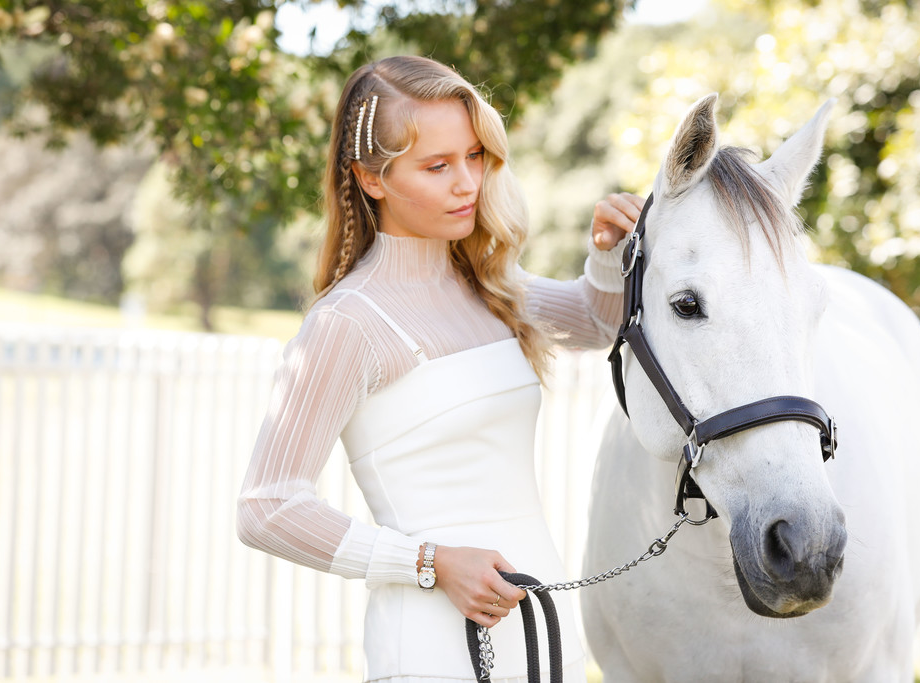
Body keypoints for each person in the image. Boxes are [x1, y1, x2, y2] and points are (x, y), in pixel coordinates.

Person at [236, 55, 644, 682]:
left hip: (540, 623)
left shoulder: (490, 286)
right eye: (437, 166)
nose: (467, 184)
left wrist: (610, 256)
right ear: (371, 179)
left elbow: (599, 325)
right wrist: (429, 563)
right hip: (432, 644)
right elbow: (266, 506)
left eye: (475, 156)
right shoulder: (349, 322)